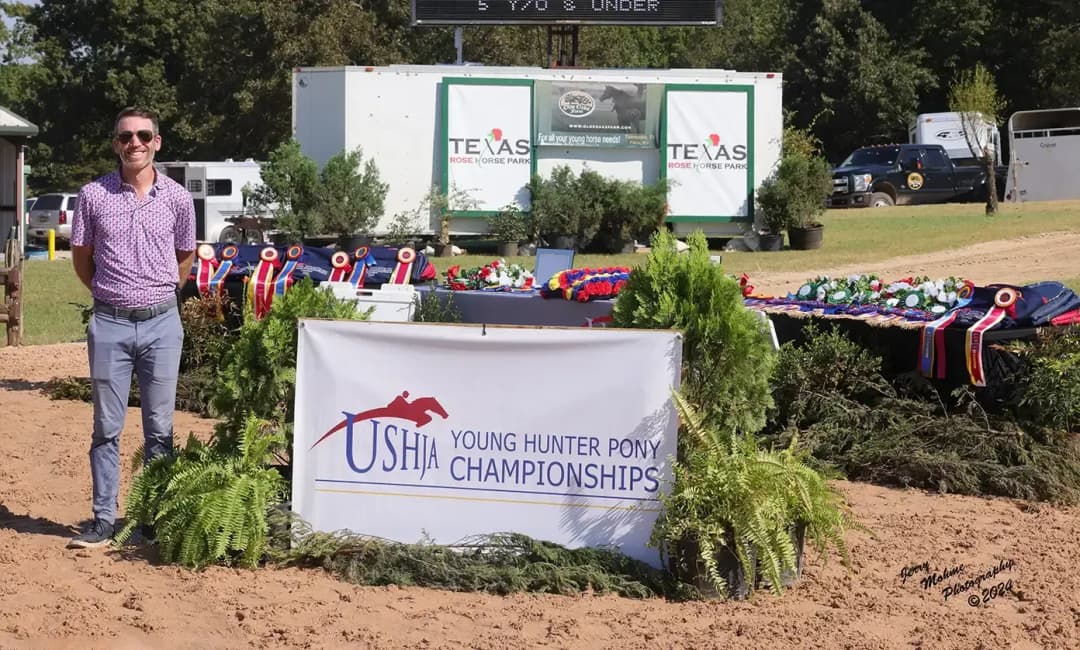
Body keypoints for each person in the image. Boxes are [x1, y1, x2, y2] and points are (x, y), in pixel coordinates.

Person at [67, 107, 196, 549]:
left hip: (163, 325)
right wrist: (109, 294)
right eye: (126, 137)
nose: (134, 143)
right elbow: (82, 258)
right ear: (115, 144)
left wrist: (160, 295)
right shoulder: (92, 196)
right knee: (107, 427)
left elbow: (185, 258)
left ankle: (152, 519)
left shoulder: (178, 198)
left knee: (160, 429)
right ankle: (104, 519)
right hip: (109, 324)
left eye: (143, 135)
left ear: (157, 142)